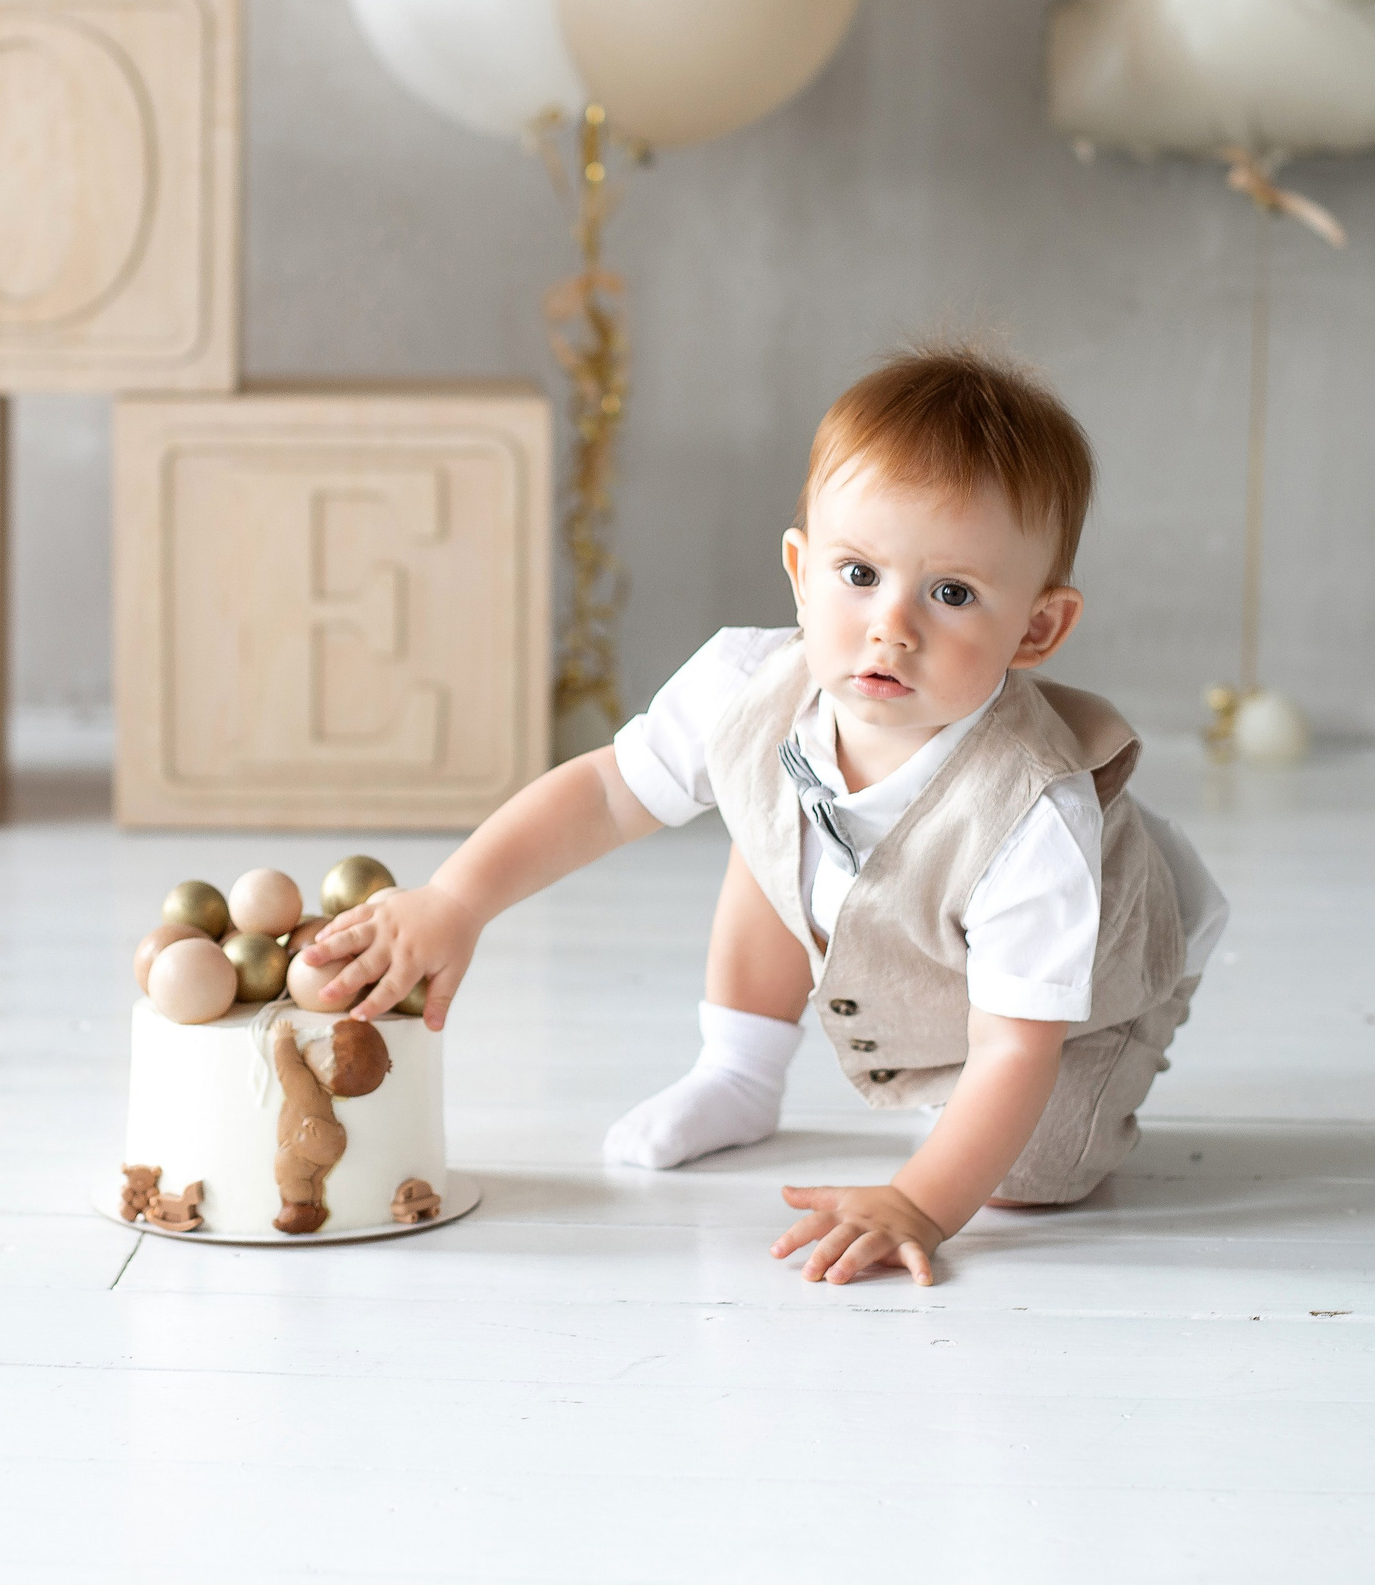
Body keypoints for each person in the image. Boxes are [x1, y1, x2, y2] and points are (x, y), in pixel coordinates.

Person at [297, 346, 1227, 1286]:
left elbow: (1018, 1043)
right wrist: (458, 899)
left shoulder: (1035, 814)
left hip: (1088, 988)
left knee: (1029, 1175)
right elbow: (607, 792)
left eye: (951, 595)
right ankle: (738, 1075)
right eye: (858, 574)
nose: (890, 627)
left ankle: (1010, 1110)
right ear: (800, 570)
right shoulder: (749, 685)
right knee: (775, 806)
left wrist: (924, 1200)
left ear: (1037, 628)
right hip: (910, 915)